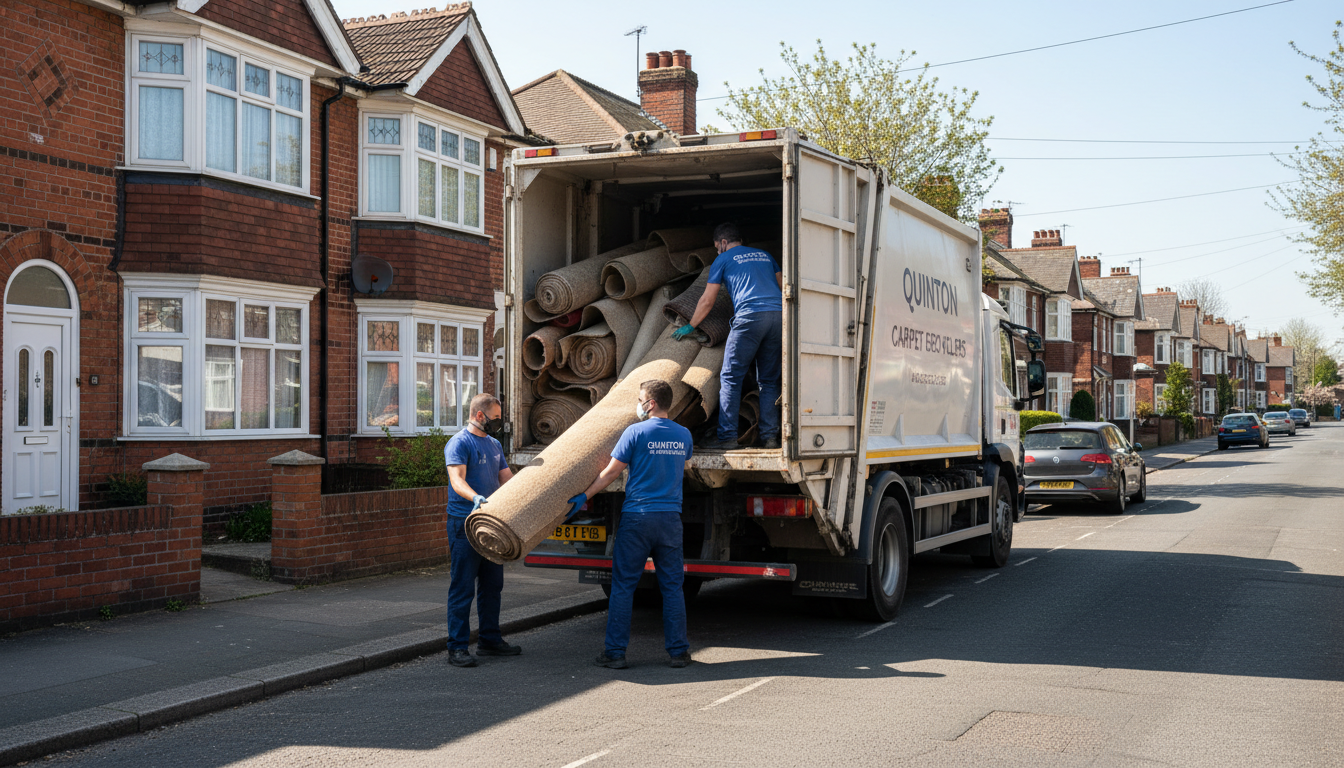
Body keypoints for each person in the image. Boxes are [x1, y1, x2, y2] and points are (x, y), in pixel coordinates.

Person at [567, 380, 695, 669]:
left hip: (638, 517)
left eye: (640, 399)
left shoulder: (635, 432)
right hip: (670, 519)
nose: (638, 404)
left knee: (624, 586)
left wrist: (585, 495)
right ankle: (678, 653)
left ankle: (615, 654)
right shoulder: (683, 434)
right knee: (673, 588)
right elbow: (684, 463)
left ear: (651, 403)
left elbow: (611, 472)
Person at [674, 222, 782, 450]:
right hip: (777, 317)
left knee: (731, 378)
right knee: (769, 381)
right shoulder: (765, 255)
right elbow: (783, 287)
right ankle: (770, 437)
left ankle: (727, 438)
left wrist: (691, 326)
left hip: (749, 318)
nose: (717, 251)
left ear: (723, 243)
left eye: (716, 247)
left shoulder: (722, 259)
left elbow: (707, 300)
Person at [444, 392, 521, 668]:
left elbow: (507, 479)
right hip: (465, 523)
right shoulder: (459, 443)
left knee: (492, 586)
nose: (499, 422)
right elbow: (457, 480)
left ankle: (489, 640)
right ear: (479, 415)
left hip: (490, 524)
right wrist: (475, 497)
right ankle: (457, 647)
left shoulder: (494, 445)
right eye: (495, 418)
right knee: (463, 586)